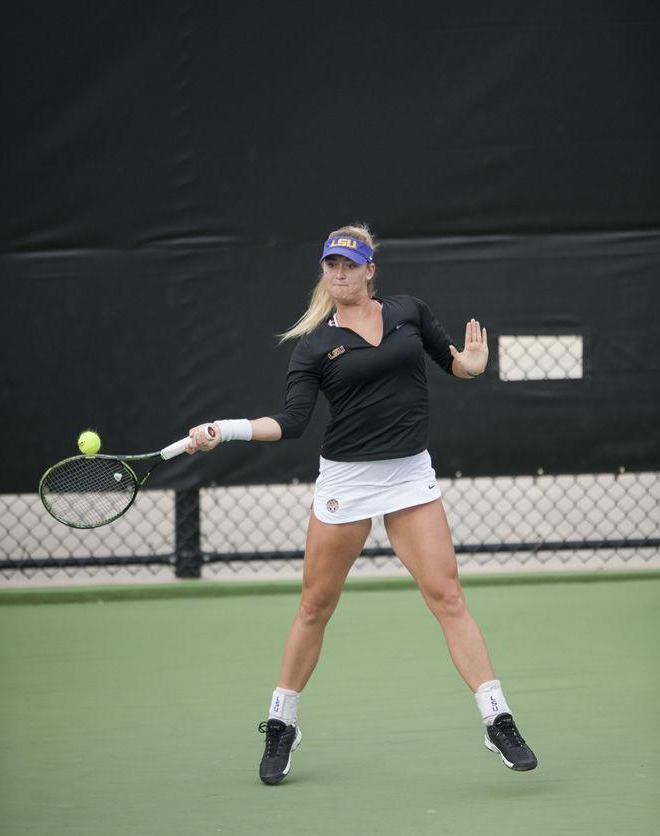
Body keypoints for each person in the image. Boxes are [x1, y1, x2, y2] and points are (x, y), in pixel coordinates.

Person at [187, 224, 538, 784]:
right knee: (314, 607)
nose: (340, 274)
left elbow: (454, 364)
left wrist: (471, 366)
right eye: (331, 265)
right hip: (347, 483)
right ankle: (282, 724)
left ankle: (498, 718)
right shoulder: (313, 347)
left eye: (350, 264)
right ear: (324, 272)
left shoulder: (408, 312)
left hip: (408, 474)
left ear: (371, 269)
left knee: (447, 596)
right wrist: (225, 430)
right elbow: (292, 422)